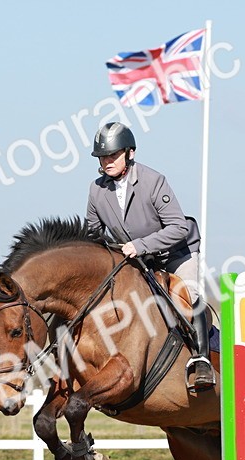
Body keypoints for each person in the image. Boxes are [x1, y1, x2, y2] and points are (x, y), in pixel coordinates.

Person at [84, 122, 215, 391]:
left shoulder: (153, 181)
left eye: (112, 155)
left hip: (176, 252)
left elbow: (178, 227)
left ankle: (201, 360)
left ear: (129, 153)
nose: (106, 161)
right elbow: (93, 235)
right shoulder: (97, 190)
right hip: (138, 260)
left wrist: (139, 245)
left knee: (188, 295)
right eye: (102, 157)